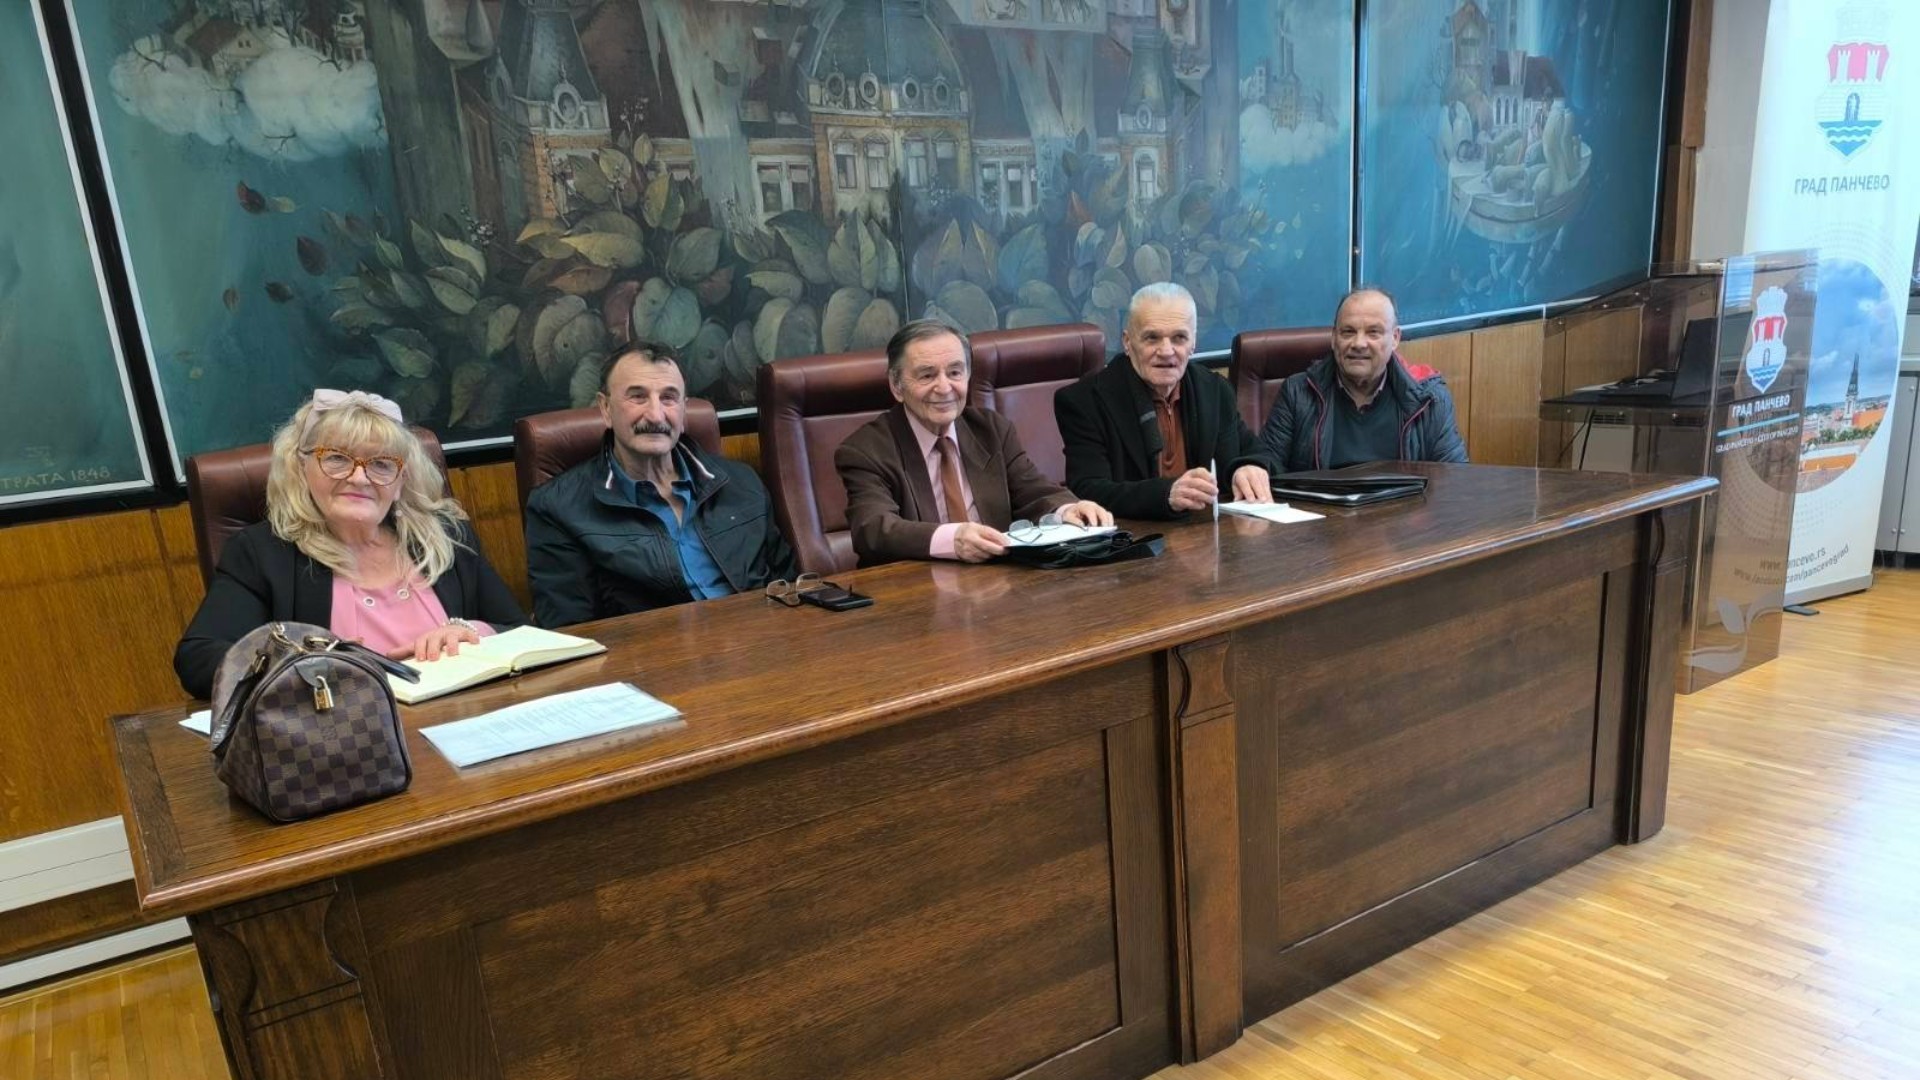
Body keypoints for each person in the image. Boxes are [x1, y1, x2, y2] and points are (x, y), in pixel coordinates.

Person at [173, 390, 526, 699]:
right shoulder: (263, 553)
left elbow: (522, 633)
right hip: (344, 740)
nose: (359, 477)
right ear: (302, 468)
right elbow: (198, 660)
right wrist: (303, 663)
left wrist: (472, 632)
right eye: (337, 458)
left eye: (381, 464)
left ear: (400, 481)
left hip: (462, 721)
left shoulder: (444, 536)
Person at [525, 341, 795, 626]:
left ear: (683, 410)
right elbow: (575, 634)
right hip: (655, 651)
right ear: (605, 408)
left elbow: (788, 589)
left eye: (668, 398)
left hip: (762, 641)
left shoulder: (742, 483)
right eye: (638, 397)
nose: (655, 415)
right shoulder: (557, 508)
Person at [836, 320, 1112, 566]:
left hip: (998, 582)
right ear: (897, 386)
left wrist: (1067, 509)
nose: (944, 388)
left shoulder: (991, 430)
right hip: (915, 590)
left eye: (955, 373)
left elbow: (1033, 491)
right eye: (927, 375)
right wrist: (951, 539)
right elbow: (873, 530)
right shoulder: (866, 450)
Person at [1054, 282, 1274, 519]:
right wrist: (1166, 495)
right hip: (1134, 536)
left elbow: (1254, 450)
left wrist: (1249, 466)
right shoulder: (1085, 401)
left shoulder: (1215, 390)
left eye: (1179, 338)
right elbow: (1087, 490)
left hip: (1208, 533)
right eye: (1152, 338)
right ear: (1128, 342)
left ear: (1193, 343)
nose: (1167, 351)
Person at [1260, 287, 1468, 471]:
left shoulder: (1429, 399)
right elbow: (1265, 468)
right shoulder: (1297, 393)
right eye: (1348, 332)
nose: (1359, 343)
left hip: (1405, 505)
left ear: (1395, 338)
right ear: (1334, 338)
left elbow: (1454, 480)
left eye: (1373, 333)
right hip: (1319, 503)